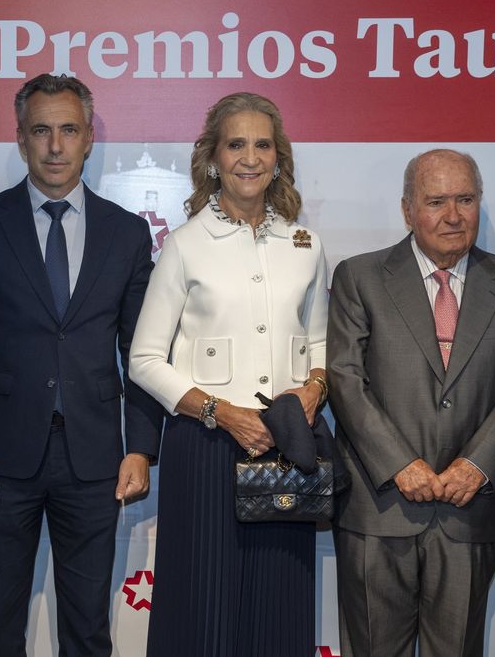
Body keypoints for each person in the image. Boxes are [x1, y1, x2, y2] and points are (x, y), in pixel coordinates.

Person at [0, 74, 163, 657]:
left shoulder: (128, 233)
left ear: (89, 139)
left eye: (68, 130)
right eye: (41, 131)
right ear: (19, 139)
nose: (55, 146)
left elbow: (141, 351)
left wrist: (140, 446)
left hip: (94, 459)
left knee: (88, 632)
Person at [129, 92, 329, 656]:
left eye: (262, 144)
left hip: (287, 444)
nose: (250, 157)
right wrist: (223, 413)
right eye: (236, 143)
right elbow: (144, 360)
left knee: (279, 610)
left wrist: (315, 387)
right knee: (201, 610)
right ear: (213, 157)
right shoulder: (185, 244)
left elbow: (320, 342)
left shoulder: (305, 244)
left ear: (278, 156)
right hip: (208, 446)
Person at [327, 149, 495, 657]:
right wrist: (398, 463)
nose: (453, 215)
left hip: (470, 511)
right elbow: (345, 377)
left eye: (466, 199)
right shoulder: (359, 277)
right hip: (378, 507)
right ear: (407, 210)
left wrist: (476, 465)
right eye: (436, 201)